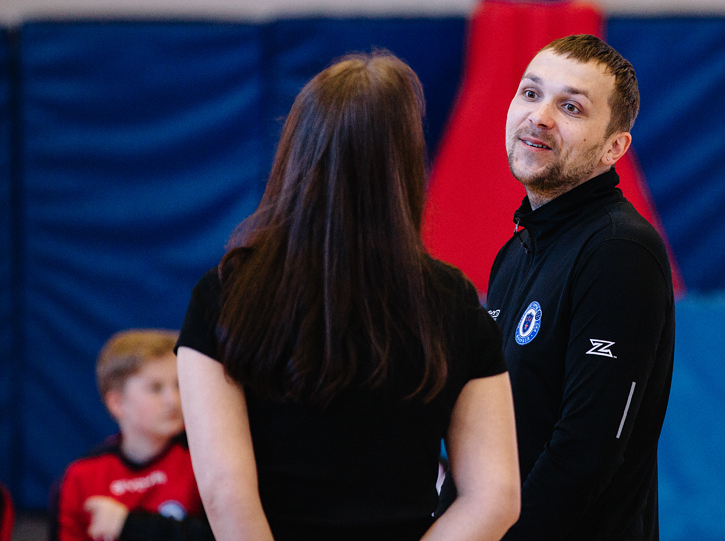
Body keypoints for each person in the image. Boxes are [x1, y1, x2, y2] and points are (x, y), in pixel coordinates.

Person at [175, 50, 520, 541]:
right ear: (404, 165)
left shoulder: (225, 293)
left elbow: (226, 491)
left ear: (296, 150)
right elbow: (494, 498)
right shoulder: (453, 302)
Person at [479, 34, 675, 540]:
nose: (539, 117)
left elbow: (586, 452)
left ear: (615, 148)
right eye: (529, 93)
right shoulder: (515, 253)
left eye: (570, 106)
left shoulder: (619, 251)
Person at [50, 329, 212, 541]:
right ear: (117, 403)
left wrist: (129, 525)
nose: (173, 400)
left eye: (179, 385)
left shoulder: (205, 459)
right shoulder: (80, 477)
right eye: (155, 388)